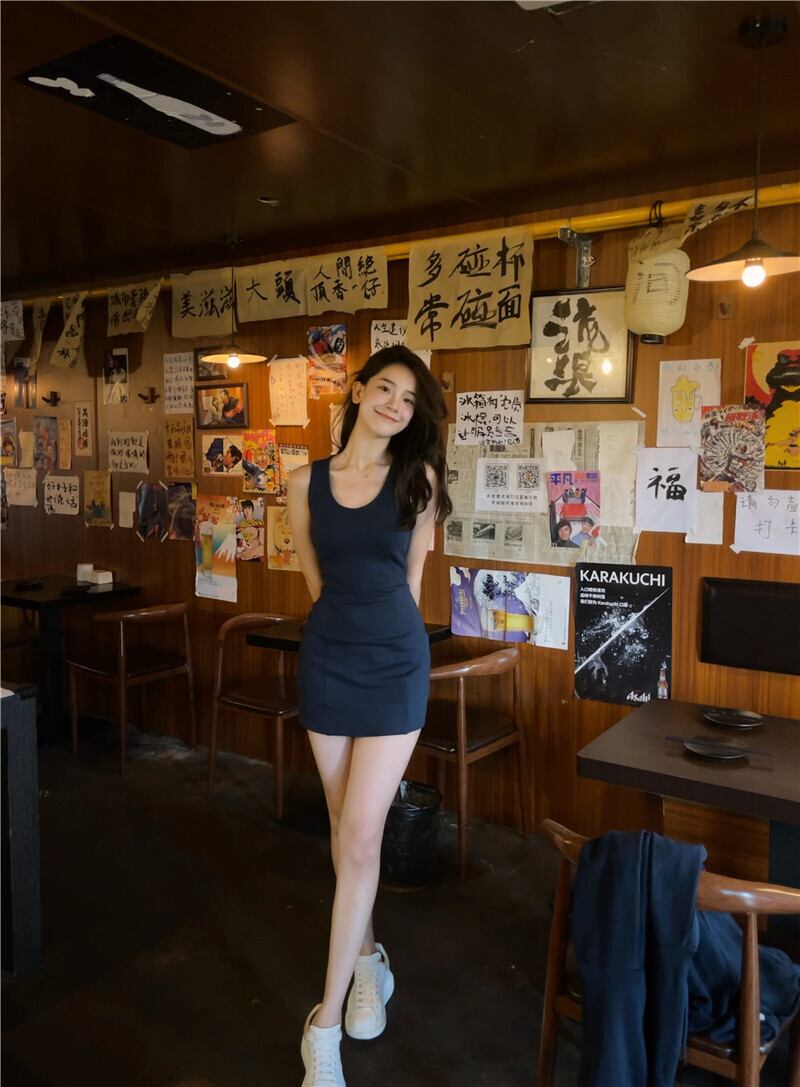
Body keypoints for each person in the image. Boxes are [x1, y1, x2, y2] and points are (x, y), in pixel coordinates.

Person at [287, 344, 451, 1087]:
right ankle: (368, 965)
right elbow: (316, 580)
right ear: (357, 391)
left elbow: (411, 583)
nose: (395, 405)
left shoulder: (419, 479)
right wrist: (345, 627)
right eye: (385, 388)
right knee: (343, 829)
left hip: (394, 666)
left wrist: (388, 637)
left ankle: (321, 1027)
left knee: (359, 835)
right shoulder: (303, 483)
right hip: (328, 659)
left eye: (409, 399)